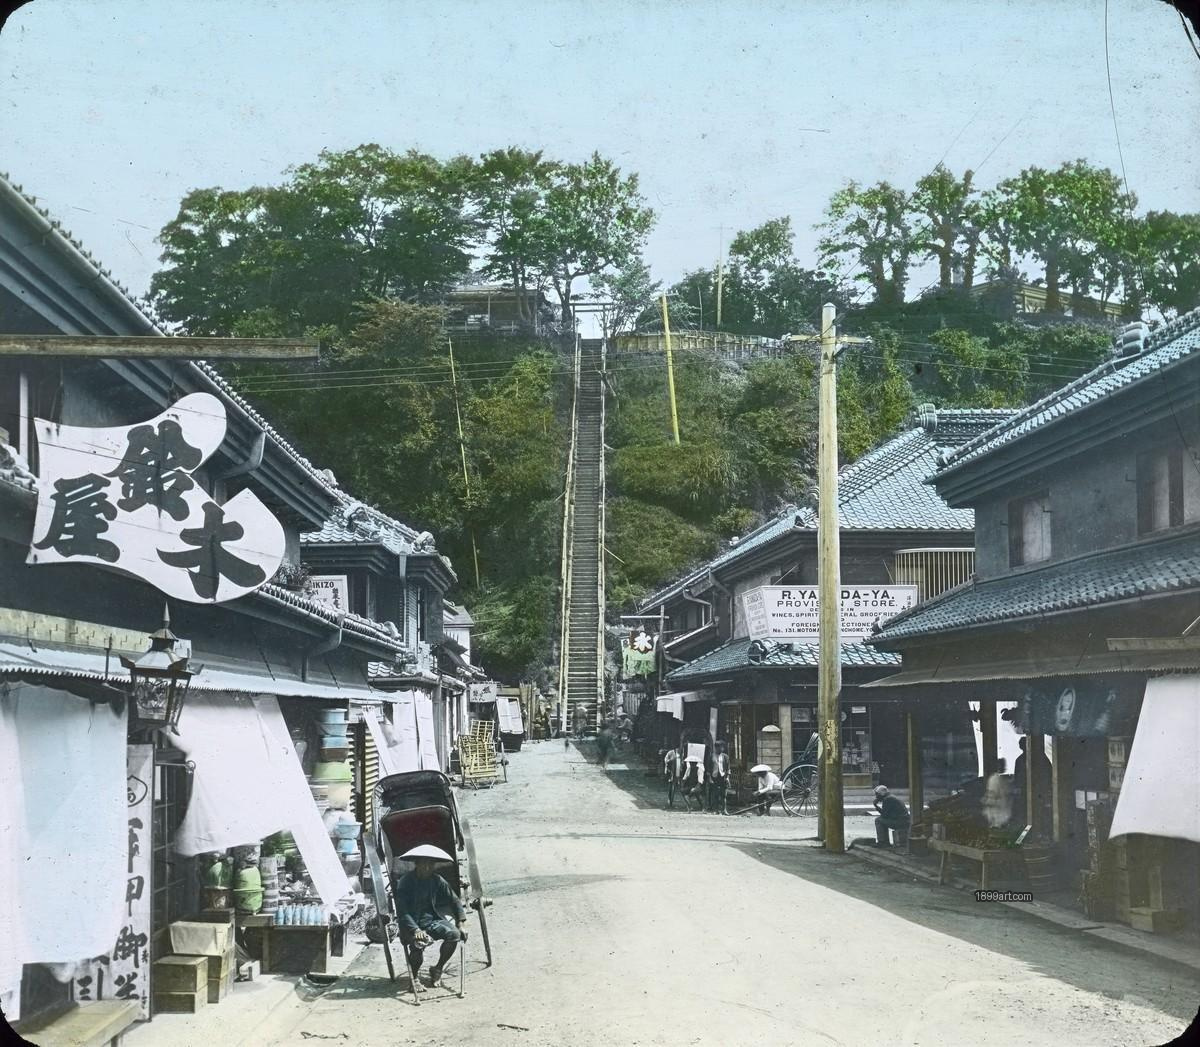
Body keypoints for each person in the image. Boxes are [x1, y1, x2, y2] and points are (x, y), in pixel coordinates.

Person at [392, 844, 468, 989]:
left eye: (430, 865)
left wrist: (462, 922)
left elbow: (454, 900)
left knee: (454, 934)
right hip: (410, 923)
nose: (427, 868)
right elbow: (402, 912)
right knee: (417, 944)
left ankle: (438, 968)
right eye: (423, 864)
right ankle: (414, 978)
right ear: (416, 864)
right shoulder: (405, 882)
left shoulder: (437, 880)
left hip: (432, 920)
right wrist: (415, 930)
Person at [709, 741, 730, 814]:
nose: (721, 749)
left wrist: (727, 778)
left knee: (724, 794)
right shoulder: (711, 756)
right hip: (714, 776)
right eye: (719, 747)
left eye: (722, 747)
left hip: (723, 776)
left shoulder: (725, 756)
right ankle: (716, 810)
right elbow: (708, 768)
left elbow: (728, 768)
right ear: (716, 748)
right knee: (715, 794)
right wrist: (710, 778)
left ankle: (724, 810)